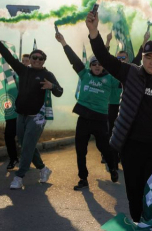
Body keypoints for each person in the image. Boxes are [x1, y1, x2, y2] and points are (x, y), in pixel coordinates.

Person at [86, 11, 152, 222]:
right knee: (133, 192)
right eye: (148, 57)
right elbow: (105, 58)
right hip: (130, 146)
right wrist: (93, 32)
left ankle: (149, 223)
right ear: (142, 57)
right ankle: (137, 223)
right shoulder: (130, 73)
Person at [0, 29, 63, 190]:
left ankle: (19, 177)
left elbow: (60, 91)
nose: (37, 60)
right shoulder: (23, 70)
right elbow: (7, 55)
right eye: (34, 58)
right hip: (20, 115)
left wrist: (52, 87)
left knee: (27, 146)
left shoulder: (47, 74)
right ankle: (43, 169)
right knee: (26, 145)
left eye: (41, 58)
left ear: (44, 61)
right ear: (29, 59)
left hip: (37, 117)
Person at [55, 32, 119, 190]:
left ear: (103, 65)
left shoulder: (111, 79)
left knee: (104, 148)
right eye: (94, 64)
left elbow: (105, 56)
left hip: (100, 120)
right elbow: (73, 59)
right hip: (83, 119)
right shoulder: (84, 74)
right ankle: (83, 178)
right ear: (90, 66)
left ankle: (112, 167)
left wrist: (108, 44)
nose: (97, 66)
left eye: (100, 64)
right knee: (80, 150)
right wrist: (63, 41)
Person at [104, 31, 145, 168]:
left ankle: (125, 156)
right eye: (119, 57)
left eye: (124, 57)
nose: (121, 59)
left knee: (128, 132)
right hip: (113, 106)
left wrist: (145, 39)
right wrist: (108, 41)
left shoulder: (131, 70)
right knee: (111, 132)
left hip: (128, 107)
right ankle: (112, 159)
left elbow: (140, 56)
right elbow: (103, 57)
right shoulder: (111, 70)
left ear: (128, 59)